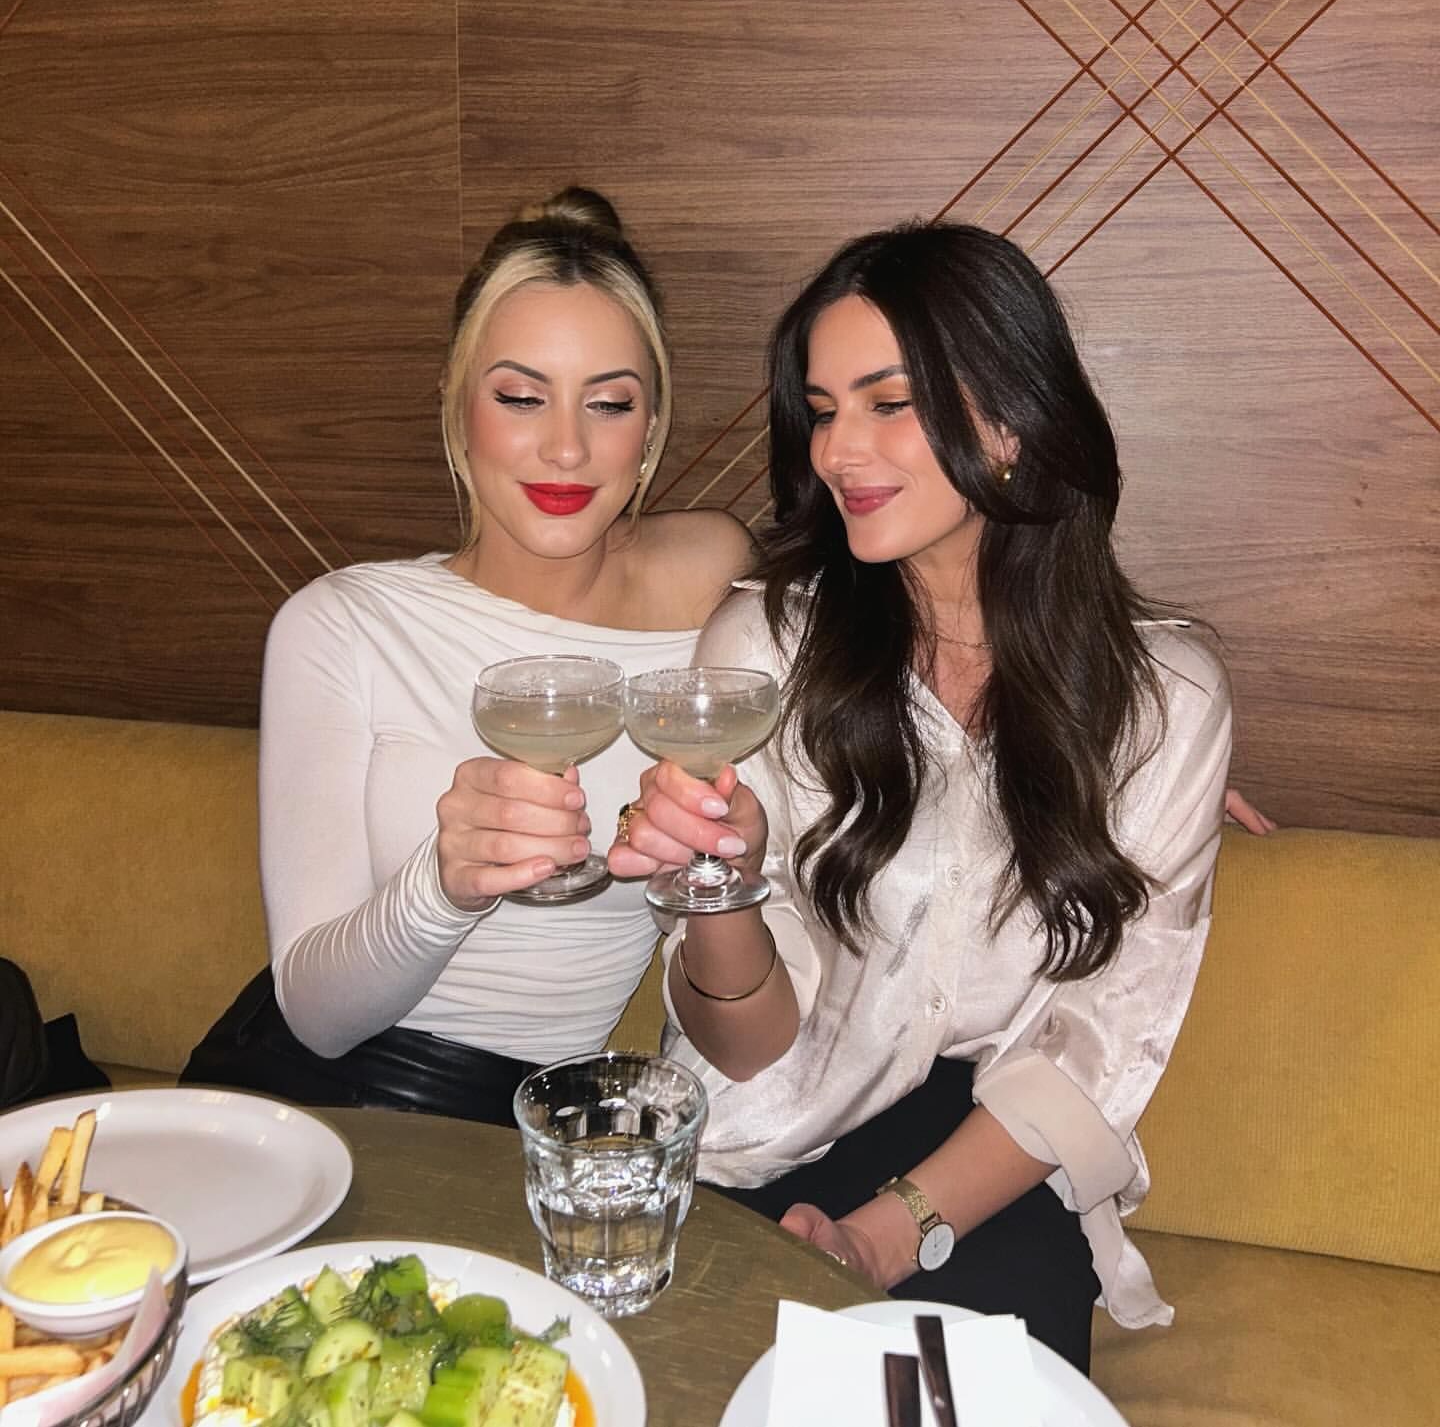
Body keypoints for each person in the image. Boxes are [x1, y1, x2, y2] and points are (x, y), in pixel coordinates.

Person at [610, 220, 1236, 1372]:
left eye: (888, 403)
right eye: (822, 409)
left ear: (1009, 420)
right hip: (770, 1127)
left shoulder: (1165, 700)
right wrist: (722, 887)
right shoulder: (762, 651)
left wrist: (885, 1236)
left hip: (994, 1159)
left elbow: (1100, 1036)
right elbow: (742, 1049)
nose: (838, 448)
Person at [181, 188, 750, 1122]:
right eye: (520, 397)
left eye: (609, 403)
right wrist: (443, 883)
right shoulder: (343, 623)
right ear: (458, 403)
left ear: (651, 428)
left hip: (537, 1124)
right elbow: (315, 1016)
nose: (565, 448)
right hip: (313, 1093)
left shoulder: (710, 593)